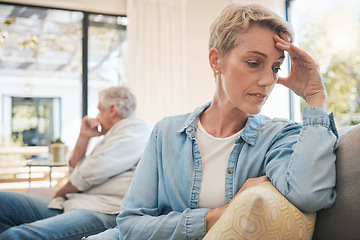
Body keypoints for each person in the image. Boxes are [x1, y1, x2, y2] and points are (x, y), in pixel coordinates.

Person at [87, 3, 338, 240]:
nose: (267, 80)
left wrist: (315, 98)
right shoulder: (166, 132)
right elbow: (131, 225)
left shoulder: (279, 136)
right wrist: (219, 214)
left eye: (275, 67)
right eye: (254, 63)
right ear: (216, 60)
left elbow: (309, 195)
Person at [0, 86, 152, 240]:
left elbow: (89, 172)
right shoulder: (115, 134)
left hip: (104, 211)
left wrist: (60, 193)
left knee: (14, 236)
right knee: (2, 201)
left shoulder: (136, 128)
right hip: (78, 203)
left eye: (100, 110)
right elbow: (75, 172)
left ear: (112, 109)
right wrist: (84, 136)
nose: (97, 116)